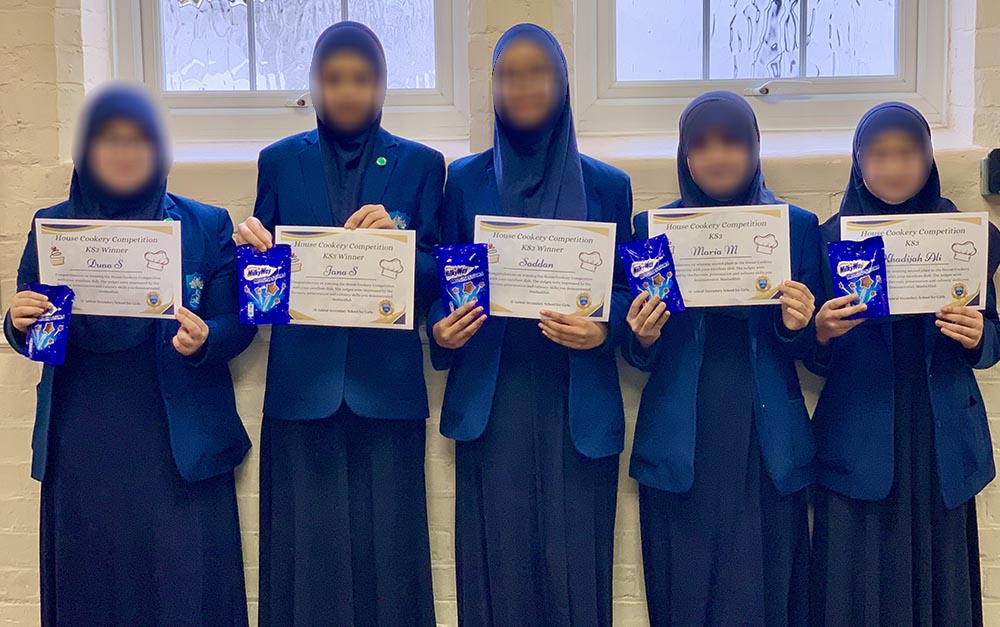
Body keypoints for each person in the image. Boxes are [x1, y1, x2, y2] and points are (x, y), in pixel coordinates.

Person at [4, 83, 253, 627]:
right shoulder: (52, 226)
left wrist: (205, 338)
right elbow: (35, 328)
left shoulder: (206, 224)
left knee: (183, 590)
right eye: (108, 139)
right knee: (91, 589)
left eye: (140, 139)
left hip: (177, 442)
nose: (124, 152)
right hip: (83, 442)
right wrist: (18, 322)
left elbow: (237, 324)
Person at [235, 21, 444, 627]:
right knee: (306, 563)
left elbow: (442, 277)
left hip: (387, 395)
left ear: (382, 84)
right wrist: (251, 256)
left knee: (392, 564)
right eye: (333, 79)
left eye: (361, 78)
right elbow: (261, 294)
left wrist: (399, 244)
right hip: (302, 393)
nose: (347, 91)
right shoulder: (279, 161)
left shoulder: (422, 165)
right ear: (314, 84)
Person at [426, 23, 633, 627]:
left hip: (577, 405)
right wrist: (441, 330)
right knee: (499, 578)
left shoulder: (608, 185)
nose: (520, 86)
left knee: (576, 578)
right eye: (506, 75)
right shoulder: (464, 181)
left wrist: (605, 330)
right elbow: (444, 284)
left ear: (563, 82)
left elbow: (628, 291)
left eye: (536, 72)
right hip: (496, 405)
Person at [624, 91, 821, 627]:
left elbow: (814, 353)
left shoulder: (797, 227)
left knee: (766, 591)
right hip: (680, 436)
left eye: (731, 142)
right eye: (701, 145)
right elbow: (638, 354)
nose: (717, 156)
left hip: (766, 437)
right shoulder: (651, 230)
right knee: (683, 594)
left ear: (754, 148)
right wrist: (642, 336)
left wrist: (797, 325)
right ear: (684, 155)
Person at [809, 102, 999, 627]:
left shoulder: (966, 237)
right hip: (858, 435)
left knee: (942, 589)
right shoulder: (828, 240)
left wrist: (979, 337)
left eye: (908, 153)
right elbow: (808, 354)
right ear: (858, 161)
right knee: (855, 590)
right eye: (878, 154)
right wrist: (821, 332)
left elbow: (992, 335)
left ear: (928, 158)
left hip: (941, 440)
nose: (893, 167)